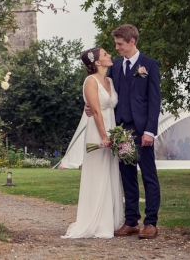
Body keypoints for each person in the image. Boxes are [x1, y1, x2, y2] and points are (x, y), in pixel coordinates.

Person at [87, 24, 161, 239]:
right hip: (121, 130)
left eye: (120, 44)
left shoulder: (150, 65)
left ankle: (151, 223)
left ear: (132, 42)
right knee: (127, 177)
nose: (117, 48)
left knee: (149, 176)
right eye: (116, 44)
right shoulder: (116, 67)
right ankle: (131, 222)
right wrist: (90, 106)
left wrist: (150, 131)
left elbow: (154, 101)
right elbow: (105, 93)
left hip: (142, 131)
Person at [62, 47, 124, 239]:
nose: (109, 56)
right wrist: (104, 136)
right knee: (97, 173)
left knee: (109, 172)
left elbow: (111, 105)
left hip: (111, 126)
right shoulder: (90, 81)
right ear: (97, 62)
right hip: (97, 131)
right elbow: (96, 111)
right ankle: (95, 222)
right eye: (105, 54)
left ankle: (109, 220)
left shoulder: (110, 81)